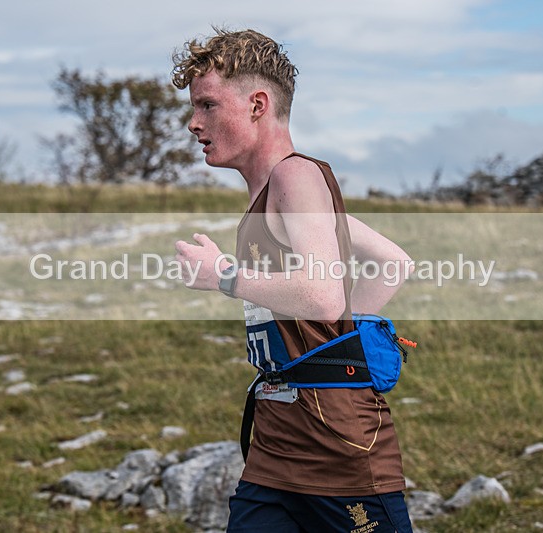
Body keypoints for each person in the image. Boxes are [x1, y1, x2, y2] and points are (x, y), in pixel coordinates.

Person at [171, 28, 414, 533]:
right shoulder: (275, 191)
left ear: (258, 104)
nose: (193, 124)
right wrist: (343, 345)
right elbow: (394, 263)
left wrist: (223, 275)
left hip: (339, 452)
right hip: (276, 447)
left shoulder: (294, 177)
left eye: (207, 106)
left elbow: (323, 297)